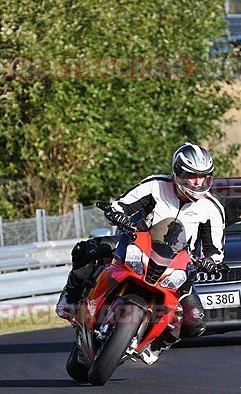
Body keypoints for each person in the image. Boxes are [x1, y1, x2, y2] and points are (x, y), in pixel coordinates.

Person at [55, 142, 226, 360]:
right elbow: (122, 205)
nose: (198, 182)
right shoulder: (156, 186)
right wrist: (117, 213)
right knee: (86, 249)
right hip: (139, 244)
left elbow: (215, 250)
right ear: (178, 173)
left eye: (204, 176)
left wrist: (210, 261)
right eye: (192, 175)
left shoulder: (212, 208)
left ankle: (156, 346)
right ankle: (70, 297)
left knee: (196, 320)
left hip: (177, 264)